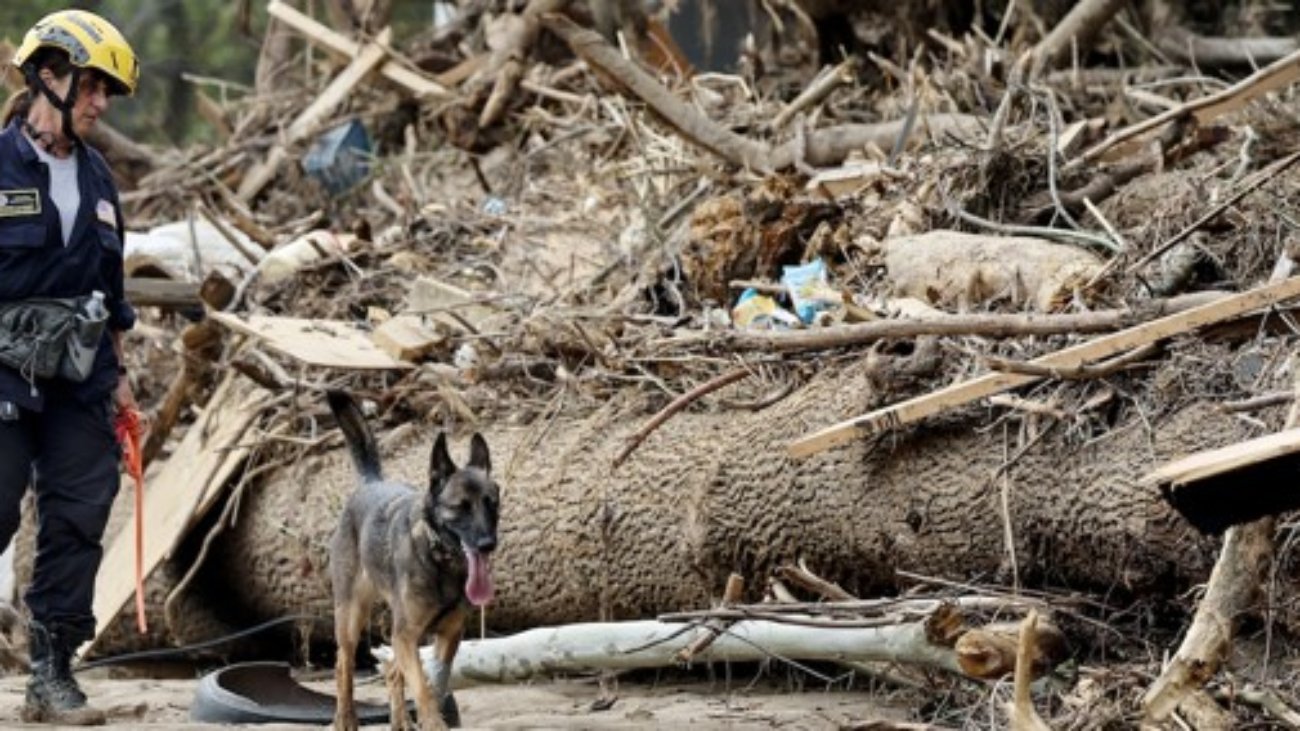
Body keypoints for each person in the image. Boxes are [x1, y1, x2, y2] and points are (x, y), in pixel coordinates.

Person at [0, 9, 141, 724]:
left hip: (80, 380)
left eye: (105, 92)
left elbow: (112, 295)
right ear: (46, 77)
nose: (99, 104)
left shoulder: (99, 181)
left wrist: (118, 380)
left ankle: (50, 675)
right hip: (2, 375)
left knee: (79, 517)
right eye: (90, 87)